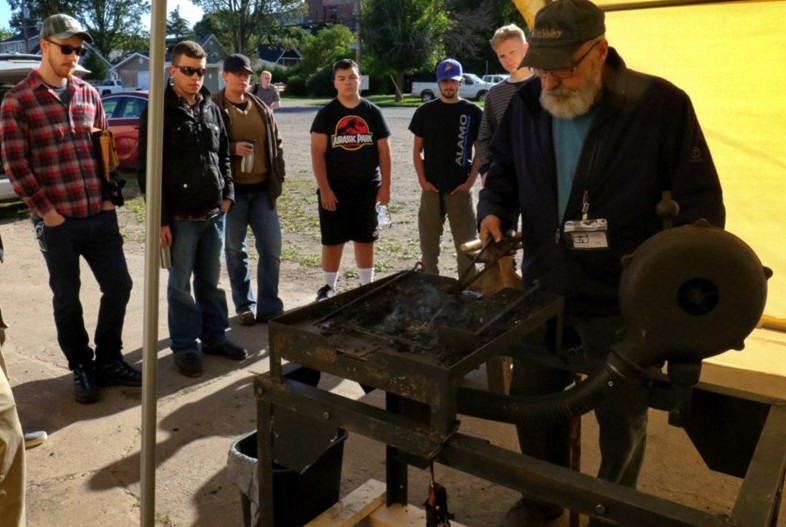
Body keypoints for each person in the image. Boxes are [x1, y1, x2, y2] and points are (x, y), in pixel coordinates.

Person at [476, 1, 725, 526]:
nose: (553, 81)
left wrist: (673, 300)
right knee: (532, 397)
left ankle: (612, 510)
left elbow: (701, 206)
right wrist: (493, 210)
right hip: (545, 285)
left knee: (621, 414)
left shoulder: (660, 105)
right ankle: (543, 496)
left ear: (601, 51)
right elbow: (500, 169)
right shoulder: (525, 103)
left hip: (624, 295)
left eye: (566, 67)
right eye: (543, 67)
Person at [0, 14, 140, 404]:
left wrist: (111, 198)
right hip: (58, 221)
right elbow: (15, 163)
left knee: (120, 285)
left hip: (98, 213)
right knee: (67, 297)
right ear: (43, 46)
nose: (74, 56)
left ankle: (109, 360)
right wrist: (47, 212)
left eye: (78, 50)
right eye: (67, 48)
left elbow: (105, 151)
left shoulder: (89, 94)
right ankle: (81, 365)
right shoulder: (18, 100)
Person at [137, 40, 247, 378]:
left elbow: (223, 154)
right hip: (180, 220)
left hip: (214, 214)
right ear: (173, 71)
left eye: (200, 71)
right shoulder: (157, 111)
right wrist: (160, 219)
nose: (196, 77)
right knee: (180, 287)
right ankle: (185, 346)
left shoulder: (210, 107)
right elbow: (147, 171)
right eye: (188, 71)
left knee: (211, 284)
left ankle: (214, 338)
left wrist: (227, 193)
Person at [309, 59, 392, 301]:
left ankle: (367, 286)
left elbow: (385, 152)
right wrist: (324, 188)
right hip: (335, 189)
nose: (348, 82)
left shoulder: (372, 112)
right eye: (342, 78)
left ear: (359, 80)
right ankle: (328, 287)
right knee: (333, 239)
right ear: (335, 82)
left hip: (368, 188)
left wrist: (385, 186)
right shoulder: (326, 114)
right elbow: (317, 153)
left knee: (365, 238)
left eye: (352, 77)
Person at [213, 54, 286, 325]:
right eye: (238, 74)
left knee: (271, 248)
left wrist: (279, 174)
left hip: (263, 191)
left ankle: (269, 305)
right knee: (235, 251)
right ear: (225, 76)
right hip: (233, 194)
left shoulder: (259, 105)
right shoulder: (214, 106)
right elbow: (208, 146)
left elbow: (276, 143)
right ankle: (244, 305)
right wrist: (233, 149)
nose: (244, 79)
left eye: (247, 74)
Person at [408, 58, 482, 278]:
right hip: (431, 189)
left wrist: (470, 182)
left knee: (467, 247)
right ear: (438, 83)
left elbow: (480, 150)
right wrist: (423, 181)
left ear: (460, 82)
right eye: (444, 81)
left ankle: (469, 288)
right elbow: (416, 151)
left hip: (459, 189)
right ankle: (431, 287)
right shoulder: (425, 112)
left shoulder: (472, 112)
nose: (449, 86)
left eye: (453, 81)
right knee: (429, 248)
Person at [477, 24, 532, 182]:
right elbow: (484, 137)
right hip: (506, 177)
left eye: (512, 52)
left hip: (543, 176)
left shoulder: (546, 84)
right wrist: (485, 169)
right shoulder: (495, 94)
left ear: (526, 48)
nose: (507, 59)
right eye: (501, 56)